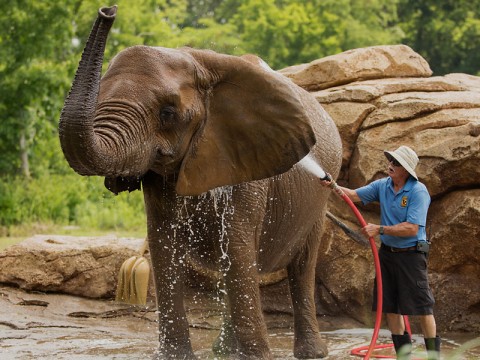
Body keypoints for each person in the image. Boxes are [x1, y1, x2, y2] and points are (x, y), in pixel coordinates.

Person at [321, 145, 440, 360]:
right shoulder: (383, 185)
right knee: (390, 306)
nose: (390, 165)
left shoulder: (417, 191)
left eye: (395, 163)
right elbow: (354, 196)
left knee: (422, 307)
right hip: (387, 255)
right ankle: (404, 356)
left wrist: (380, 229)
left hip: (411, 255)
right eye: (390, 161)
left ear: (406, 169)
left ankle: (434, 356)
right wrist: (333, 186)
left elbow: (412, 228)